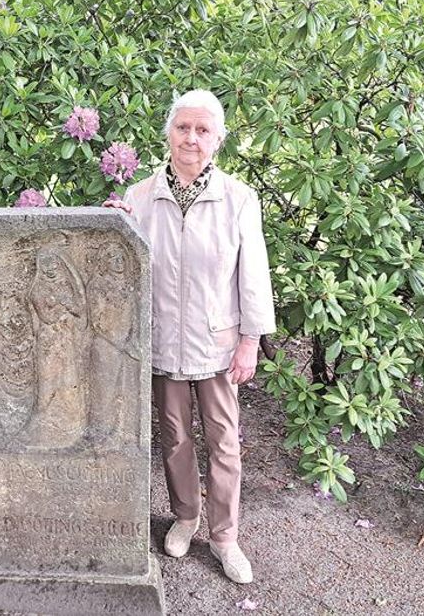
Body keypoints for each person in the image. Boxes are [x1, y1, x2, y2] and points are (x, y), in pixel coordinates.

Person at [104, 89, 275, 584]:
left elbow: (254, 275)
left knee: (224, 442)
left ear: (218, 139)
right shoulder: (139, 197)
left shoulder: (238, 198)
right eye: (183, 128)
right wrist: (113, 224)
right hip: (163, 342)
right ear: (169, 134)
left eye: (202, 130)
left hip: (217, 344)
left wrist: (249, 340)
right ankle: (185, 516)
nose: (191, 138)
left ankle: (225, 537)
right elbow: (123, 267)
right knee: (175, 437)